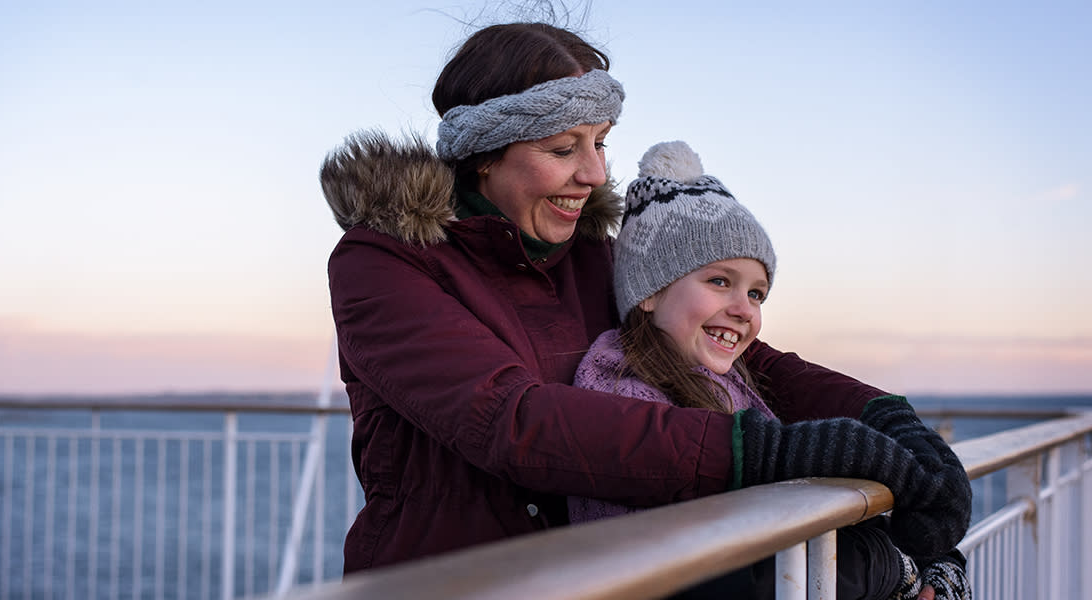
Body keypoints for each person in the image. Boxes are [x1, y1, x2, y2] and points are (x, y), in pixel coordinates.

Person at [320, 19, 971, 589]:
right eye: (562, 148)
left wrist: (884, 418)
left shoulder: (594, 257)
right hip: (451, 584)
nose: (596, 173)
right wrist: (764, 453)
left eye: (600, 142)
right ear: (484, 158)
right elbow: (510, 422)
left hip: (599, 579)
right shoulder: (382, 262)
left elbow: (741, 354)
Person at [568, 141, 972, 600]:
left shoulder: (728, 380)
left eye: (757, 293)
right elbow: (724, 567)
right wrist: (894, 566)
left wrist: (938, 563)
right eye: (720, 281)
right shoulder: (620, 388)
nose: (745, 310)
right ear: (650, 291)